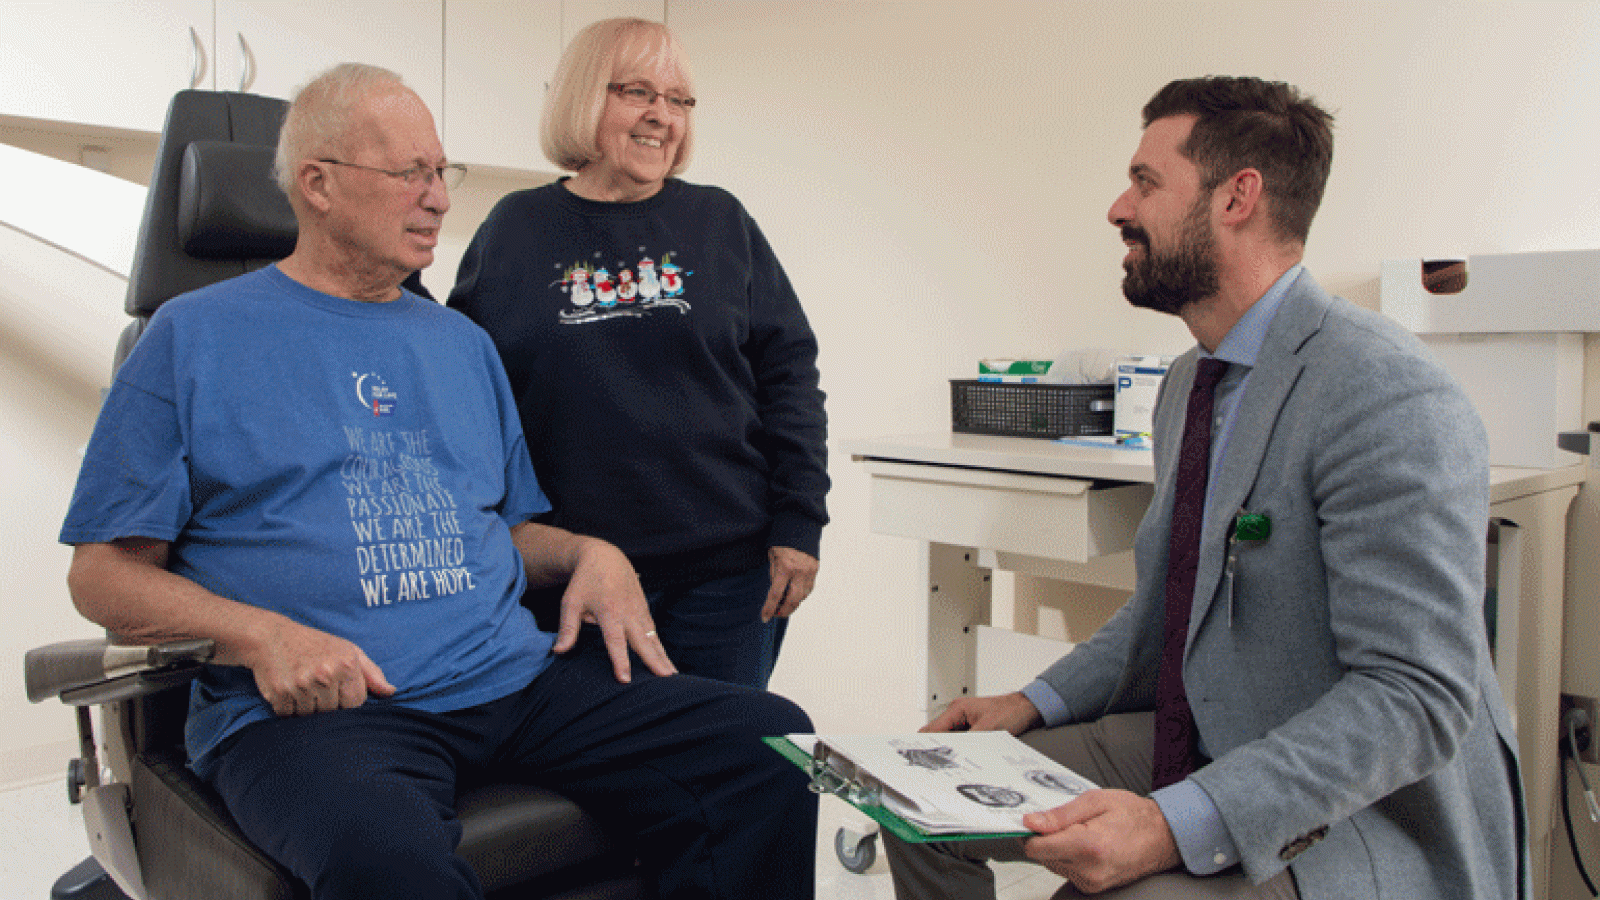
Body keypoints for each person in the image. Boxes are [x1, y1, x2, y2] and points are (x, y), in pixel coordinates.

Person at [58, 62, 816, 900]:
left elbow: (504, 532)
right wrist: (263, 638)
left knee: (768, 746)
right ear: (319, 184)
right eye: (410, 173)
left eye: (441, 171)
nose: (440, 198)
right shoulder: (191, 339)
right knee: (389, 860)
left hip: (514, 681)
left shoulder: (460, 345)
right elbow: (102, 576)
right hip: (324, 715)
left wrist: (587, 553)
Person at [885, 76, 1526, 900]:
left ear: (1236, 198)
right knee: (919, 800)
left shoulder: (1384, 391)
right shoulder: (1192, 383)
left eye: (1146, 182)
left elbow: (1415, 696)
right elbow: (1171, 606)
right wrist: (1031, 702)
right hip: (1210, 734)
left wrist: (1170, 824)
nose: (1118, 208)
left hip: (1354, 809)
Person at [448, 18, 828, 690]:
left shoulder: (720, 221)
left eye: (679, 100)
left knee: (720, 749)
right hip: (575, 576)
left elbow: (789, 376)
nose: (663, 116)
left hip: (727, 576)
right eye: (638, 93)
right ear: (583, 97)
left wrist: (800, 522)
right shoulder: (514, 229)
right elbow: (462, 389)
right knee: (592, 754)